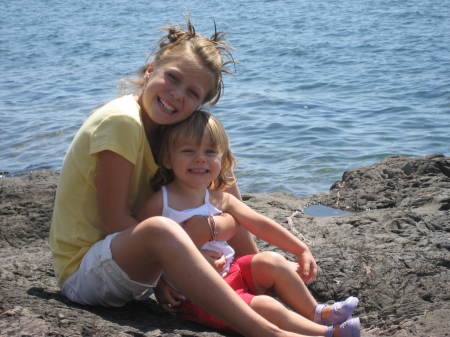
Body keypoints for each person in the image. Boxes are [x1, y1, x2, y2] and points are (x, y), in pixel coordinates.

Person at [48, 17, 321, 337]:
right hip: (87, 273)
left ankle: (252, 282)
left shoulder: (167, 128)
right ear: (150, 70)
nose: (177, 95)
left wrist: (241, 255)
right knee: (162, 228)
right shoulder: (122, 121)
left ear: (199, 104)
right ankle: (266, 332)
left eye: (192, 93)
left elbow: (226, 198)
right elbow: (114, 220)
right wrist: (176, 266)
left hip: (130, 262)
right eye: (172, 78)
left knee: (210, 155)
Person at [137, 110, 361, 337]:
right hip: (198, 296)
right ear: (167, 158)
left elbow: (260, 224)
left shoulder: (217, 197)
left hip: (231, 273)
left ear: (222, 159)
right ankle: (326, 333)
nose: (200, 158)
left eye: (210, 152)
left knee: (272, 260)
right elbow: (144, 250)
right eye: (188, 151)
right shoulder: (160, 203)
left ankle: (319, 312)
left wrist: (300, 249)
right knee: (266, 305)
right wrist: (159, 283)